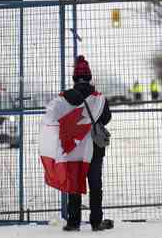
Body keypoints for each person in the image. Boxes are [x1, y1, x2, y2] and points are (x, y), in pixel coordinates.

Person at [61, 55, 112, 232]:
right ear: (89, 77)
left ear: (74, 78)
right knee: (95, 184)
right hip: (95, 149)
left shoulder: (66, 97)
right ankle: (96, 222)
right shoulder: (99, 98)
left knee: (74, 183)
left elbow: (58, 119)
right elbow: (106, 118)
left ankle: (73, 222)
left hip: (75, 148)